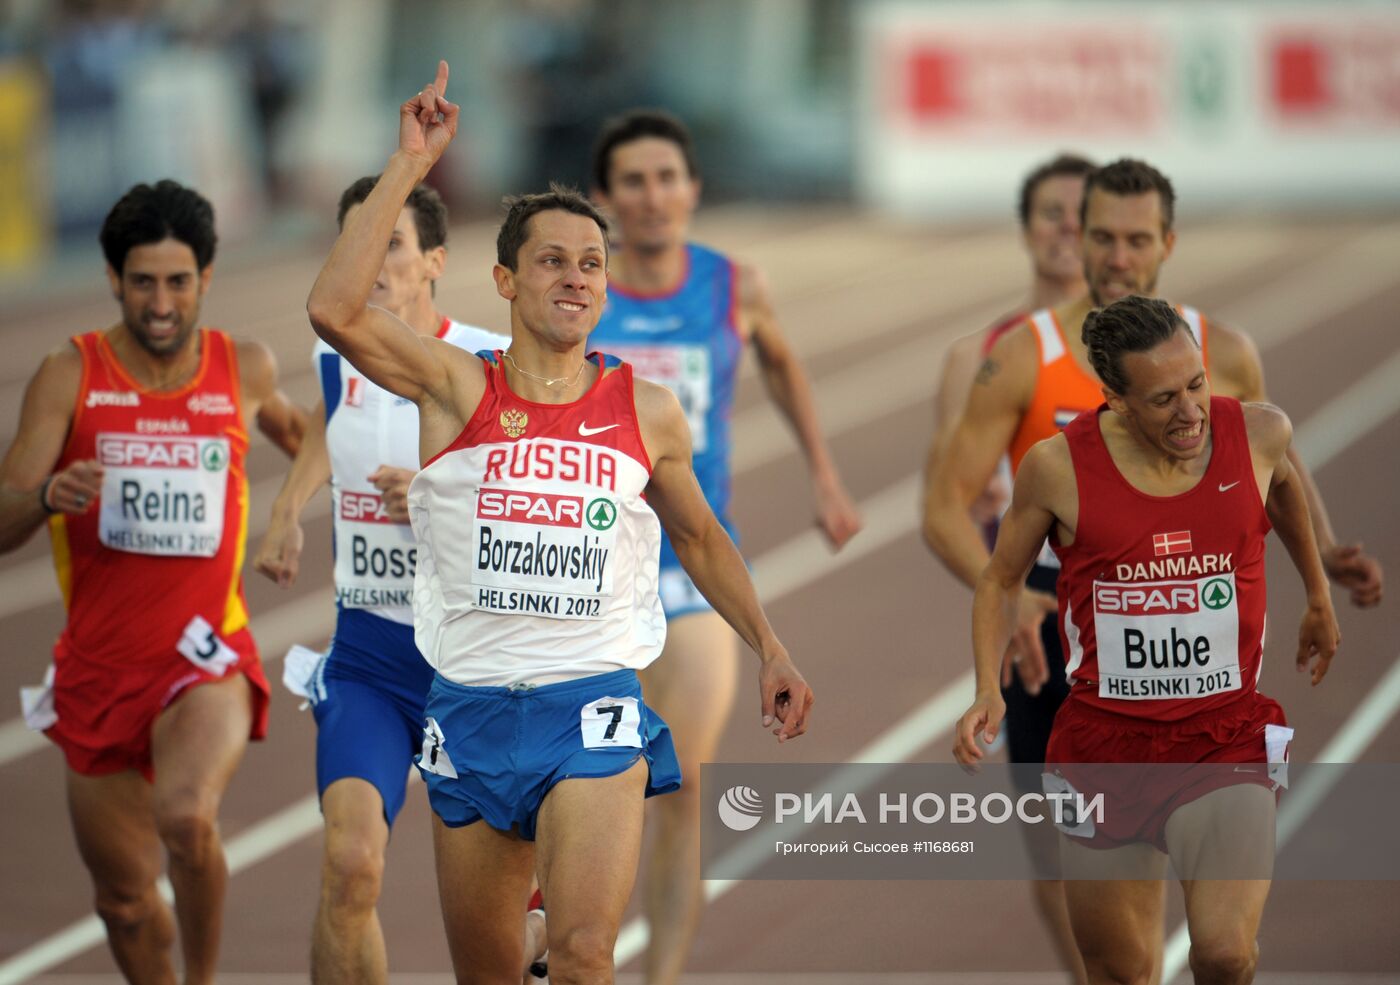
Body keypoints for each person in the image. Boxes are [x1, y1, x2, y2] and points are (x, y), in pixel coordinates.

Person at [305, 63, 813, 985]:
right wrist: (406, 167)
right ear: (503, 278)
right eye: (551, 260)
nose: (574, 278)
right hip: (466, 707)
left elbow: (698, 536)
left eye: (591, 264)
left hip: (593, 704)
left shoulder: (645, 409)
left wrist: (769, 644)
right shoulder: (455, 383)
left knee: (583, 957)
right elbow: (335, 309)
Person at [924, 157, 1383, 984]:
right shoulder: (1035, 403)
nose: (1192, 412)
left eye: (1138, 239)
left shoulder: (1240, 386)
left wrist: (1322, 577)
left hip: (1223, 731)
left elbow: (1275, 474)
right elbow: (954, 520)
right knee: (1117, 965)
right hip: (1088, 714)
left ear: (1167, 243)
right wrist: (997, 664)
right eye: (1100, 235)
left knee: (1222, 951)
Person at [0, 179, 304, 984]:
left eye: (178, 282)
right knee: (126, 904)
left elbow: (313, 439)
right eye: (143, 282)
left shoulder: (244, 365)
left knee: (186, 813)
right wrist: (43, 496)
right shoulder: (69, 375)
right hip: (98, 670)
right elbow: (1, 520)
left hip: (204, 656)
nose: (161, 302)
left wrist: (291, 515)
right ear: (113, 279)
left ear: (206, 279)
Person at [586, 109, 861, 985]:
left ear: (693, 189)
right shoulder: (582, 289)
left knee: (686, 776)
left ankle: (659, 974)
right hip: (586, 563)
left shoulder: (735, 286)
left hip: (690, 559)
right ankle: (569, 948)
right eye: (632, 180)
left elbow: (780, 363)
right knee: (582, 781)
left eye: (668, 177)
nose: (653, 196)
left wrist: (824, 473)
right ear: (603, 198)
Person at [252, 177, 534, 983]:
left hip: (474, 665)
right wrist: (288, 504)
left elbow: (536, 501)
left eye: (391, 242)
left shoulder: (487, 361)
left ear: (436, 260)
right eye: (358, 242)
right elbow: (327, 415)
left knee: (511, 920)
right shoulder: (336, 352)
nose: (370, 261)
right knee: (349, 865)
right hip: (372, 653)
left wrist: (442, 500)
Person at [923, 153, 1095, 543]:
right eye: (1052, 213)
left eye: (1084, 213)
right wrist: (997, 592)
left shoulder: (1147, 352)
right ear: (1025, 230)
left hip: (1128, 593)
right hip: (1027, 587)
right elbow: (943, 505)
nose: (1069, 226)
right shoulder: (974, 357)